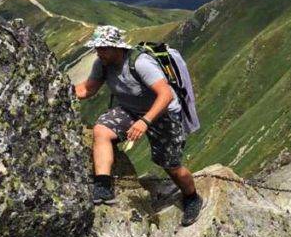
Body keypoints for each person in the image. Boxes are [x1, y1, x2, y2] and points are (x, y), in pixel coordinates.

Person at [74, 25, 204, 226]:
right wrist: (57, 89)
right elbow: (87, 89)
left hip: (163, 114)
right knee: (101, 131)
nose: (99, 52)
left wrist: (145, 121)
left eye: (104, 48)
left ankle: (192, 197)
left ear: (117, 47)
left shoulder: (140, 63)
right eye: (97, 48)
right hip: (131, 110)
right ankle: (102, 186)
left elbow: (166, 94)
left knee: (171, 167)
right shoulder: (103, 64)